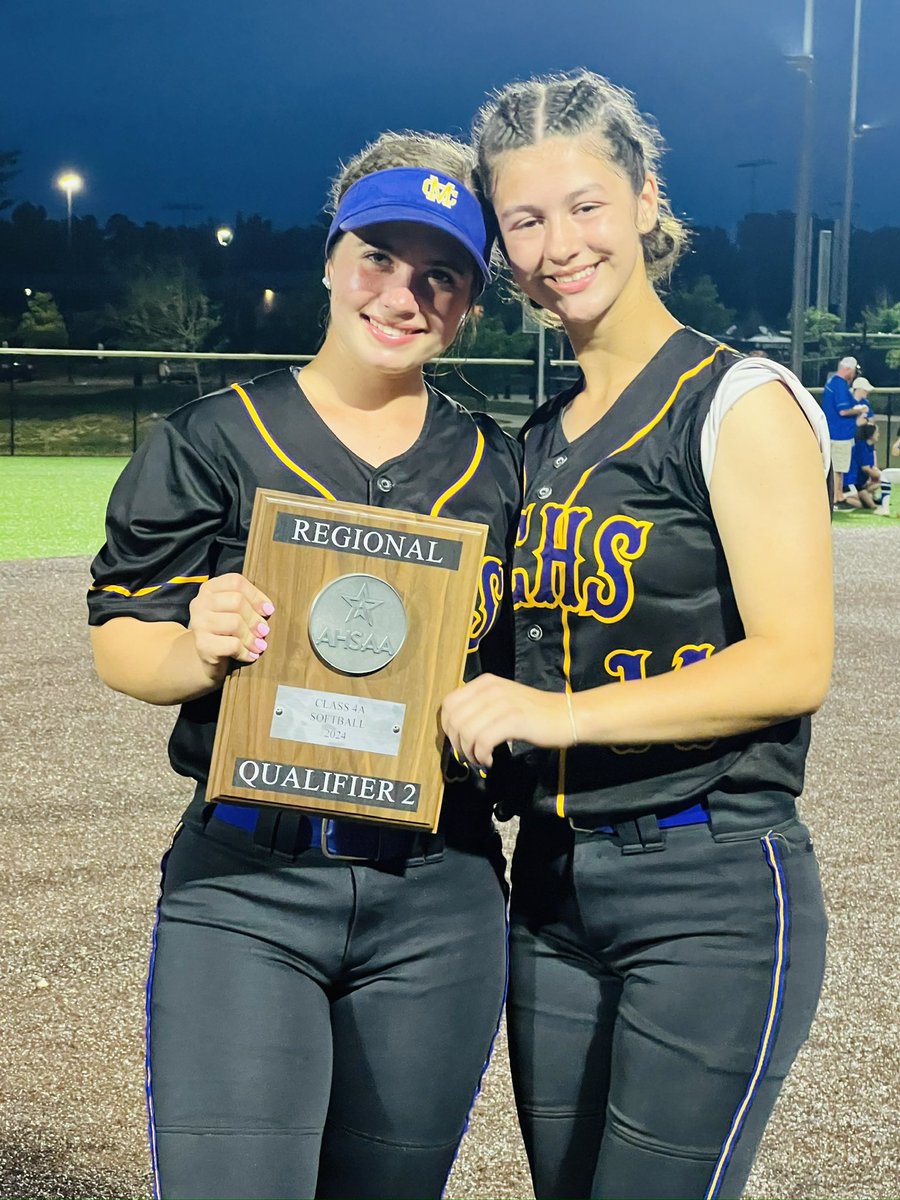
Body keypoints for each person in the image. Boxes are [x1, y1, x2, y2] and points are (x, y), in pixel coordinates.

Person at [88, 133, 521, 1200]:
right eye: (379, 256)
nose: (403, 293)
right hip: (247, 881)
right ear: (331, 258)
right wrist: (198, 643)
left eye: (441, 273)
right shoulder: (212, 438)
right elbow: (120, 639)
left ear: (469, 298)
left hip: (440, 889)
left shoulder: (500, 467)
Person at [441, 71, 833, 1200]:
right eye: (525, 219)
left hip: (707, 885)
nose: (558, 243)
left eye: (585, 204)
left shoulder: (735, 400)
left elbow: (793, 660)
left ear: (647, 199)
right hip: (555, 885)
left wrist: (554, 716)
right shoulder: (539, 437)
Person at [822, 355, 867, 505]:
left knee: (837, 466)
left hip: (833, 431)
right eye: (853, 371)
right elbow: (843, 410)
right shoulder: (840, 384)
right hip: (840, 433)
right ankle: (837, 497)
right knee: (838, 467)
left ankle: (838, 495)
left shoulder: (832, 382)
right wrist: (859, 410)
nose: (853, 374)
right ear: (848, 369)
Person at [843, 422, 881, 508]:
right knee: (861, 501)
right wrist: (883, 476)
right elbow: (866, 468)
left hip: (861, 483)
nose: (879, 434)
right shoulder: (861, 446)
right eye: (877, 432)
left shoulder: (870, 447)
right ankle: (843, 498)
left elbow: (872, 467)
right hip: (853, 482)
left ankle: (866, 500)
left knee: (876, 484)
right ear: (871, 434)